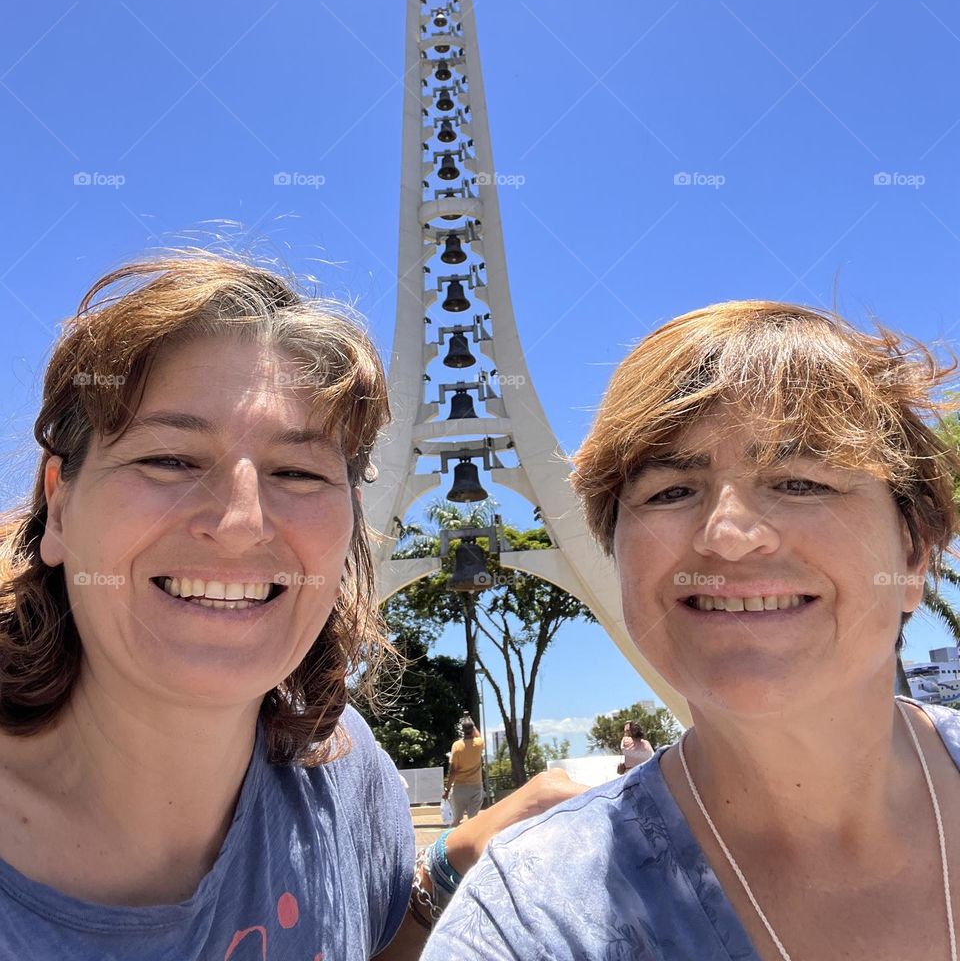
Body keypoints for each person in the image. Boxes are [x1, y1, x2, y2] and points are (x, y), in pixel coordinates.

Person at [0, 249, 583, 960]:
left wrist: (450, 868)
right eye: (170, 460)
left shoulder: (343, 771)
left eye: (298, 471)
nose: (241, 522)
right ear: (59, 508)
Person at [424, 301, 960, 960]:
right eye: (671, 492)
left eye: (800, 481)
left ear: (914, 553)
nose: (728, 537)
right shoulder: (527, 916)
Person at [443, 717, 485, 824]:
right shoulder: (479, 743)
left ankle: (455, 840)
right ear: (473, 729)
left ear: (462, 730)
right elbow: (478, 735)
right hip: (476, 787)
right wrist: (472, 722)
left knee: (456, 820)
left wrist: (447, 789)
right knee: (473, 820)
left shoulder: (457, 746)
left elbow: (453, 770)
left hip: (459, 787)